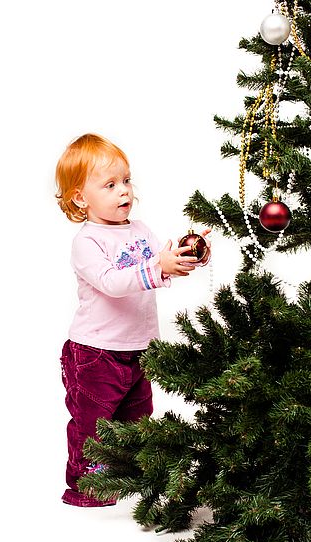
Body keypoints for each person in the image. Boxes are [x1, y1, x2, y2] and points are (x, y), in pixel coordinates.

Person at [55, 133, 211, 507]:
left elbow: (159, 261)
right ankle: (85, 488)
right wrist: (159, 268)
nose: (123, 191)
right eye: (109, 185)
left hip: (139, 349)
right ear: (80, 197)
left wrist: (188, 253)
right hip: (96, 353)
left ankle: (131, 476)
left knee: (138, 416)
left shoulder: (139, 230)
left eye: (126, 181)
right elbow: (113, 282)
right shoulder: (88, 241)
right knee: (94, 422)